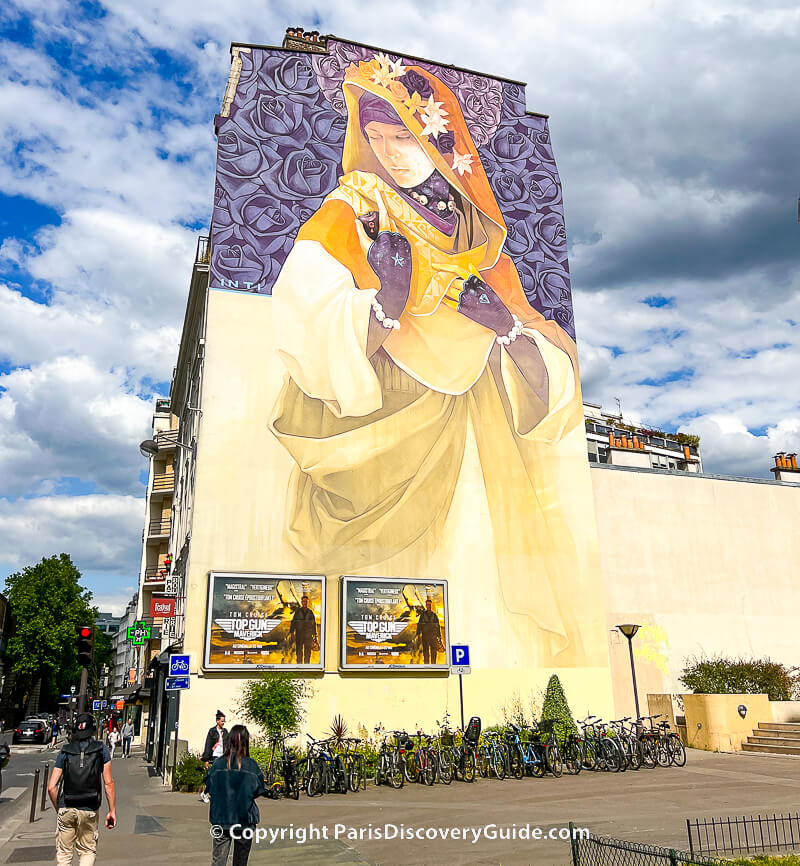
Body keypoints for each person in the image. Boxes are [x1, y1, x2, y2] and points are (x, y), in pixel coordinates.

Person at [269, 58, 605, 668]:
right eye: (378, 137)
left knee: (477, 576)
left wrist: (504, 327)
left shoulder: (477, 237)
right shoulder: (356, 210)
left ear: (441, 140)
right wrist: (386, 307)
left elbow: (551, 373)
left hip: (481, 436)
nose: (393, 154)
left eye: (406, 136)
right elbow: (302, 320)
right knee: (400, 596)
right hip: (381, 425)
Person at [48, 712, 116, 865]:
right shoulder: (101, 749)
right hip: (89, 806)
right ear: (92, 729)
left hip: (67, 805)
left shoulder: (65, 750)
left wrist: (59, 808)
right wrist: (112, 811)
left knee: (64, 855)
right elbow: (108, 783)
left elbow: (52, 787)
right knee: (87, 851)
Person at [204, 725, 265, 866]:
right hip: (244, 819)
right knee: (241, 861)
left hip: (221, 817)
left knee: (218, 860)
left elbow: (210, 786)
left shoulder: (218, 764)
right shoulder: (251, 766)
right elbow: (259, 789)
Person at [200, 711, 229, 804]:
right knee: (213, 777)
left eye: (224, 721)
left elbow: (228, 745)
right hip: (215, 756)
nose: (223, 723)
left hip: (223, 757)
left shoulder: (225, 732)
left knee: (222, 777)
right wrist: (206, 759)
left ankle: (215, 794)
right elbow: (208, 745)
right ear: (217, 721)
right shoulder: (212, 731)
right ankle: (205, 793)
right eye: (222, 721)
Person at [287, 594, 317, 664]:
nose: (305, 603)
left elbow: (314, 624)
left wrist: (315, 636)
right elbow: (293, 622)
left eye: (306, 601)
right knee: (299, 652)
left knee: (307, 653)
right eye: (303, 601)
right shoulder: (297, 612)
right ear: (301, 602)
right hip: (299, 635)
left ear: (307, 602)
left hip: (308, 636)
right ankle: (299, 666)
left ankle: (307, 667)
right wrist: (292, 633)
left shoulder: (310, 612)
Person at [416, 597, 443, 664]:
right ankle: (426, 667)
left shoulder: (434, 616)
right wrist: (418, 635)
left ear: (431, 605)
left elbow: (438, 626)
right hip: (425, 637)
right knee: (426, 654)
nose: (428, 606)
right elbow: (419, 625)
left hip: (433, 638)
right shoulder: (422, 615)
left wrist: (439, 637)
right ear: (426, 605)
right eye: (427, 605)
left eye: (430, 605)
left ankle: (433, 666)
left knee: (434, 653)